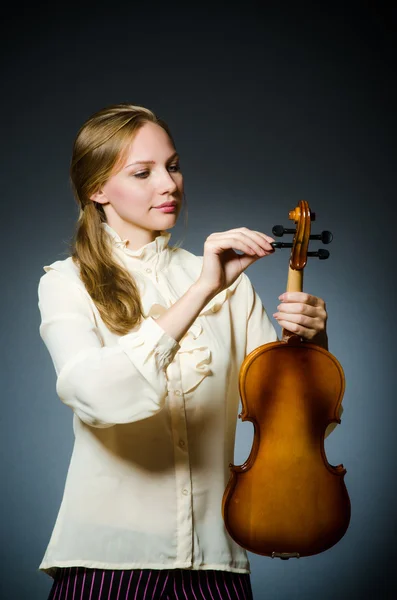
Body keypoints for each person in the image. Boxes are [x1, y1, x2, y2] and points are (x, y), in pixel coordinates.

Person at [37, 103, 329, 600]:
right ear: (97, 189)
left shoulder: (230, 283)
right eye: (142, 172)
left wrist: (314, 339)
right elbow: (98, 397)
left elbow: (289, 412)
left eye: (172, 166)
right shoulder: (67, 282)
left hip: (219, 564)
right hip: (106, 564)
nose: (169, 185)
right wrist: (200, 292)